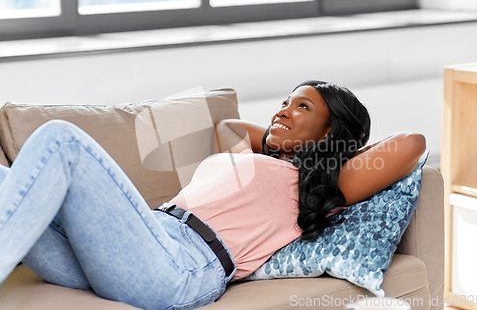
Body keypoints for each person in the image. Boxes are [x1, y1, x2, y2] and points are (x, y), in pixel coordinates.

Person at [0, 80, 426, 310]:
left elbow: (412, 143)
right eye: (283, 102)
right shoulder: (250, 156)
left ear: (331, 132)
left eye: (303, 107)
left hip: (180, 266)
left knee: (62, 140)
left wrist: (332, 150)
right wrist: (286, 131)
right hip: (138, 244)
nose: (282, 111)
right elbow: (232, 129)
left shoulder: (317, 184)